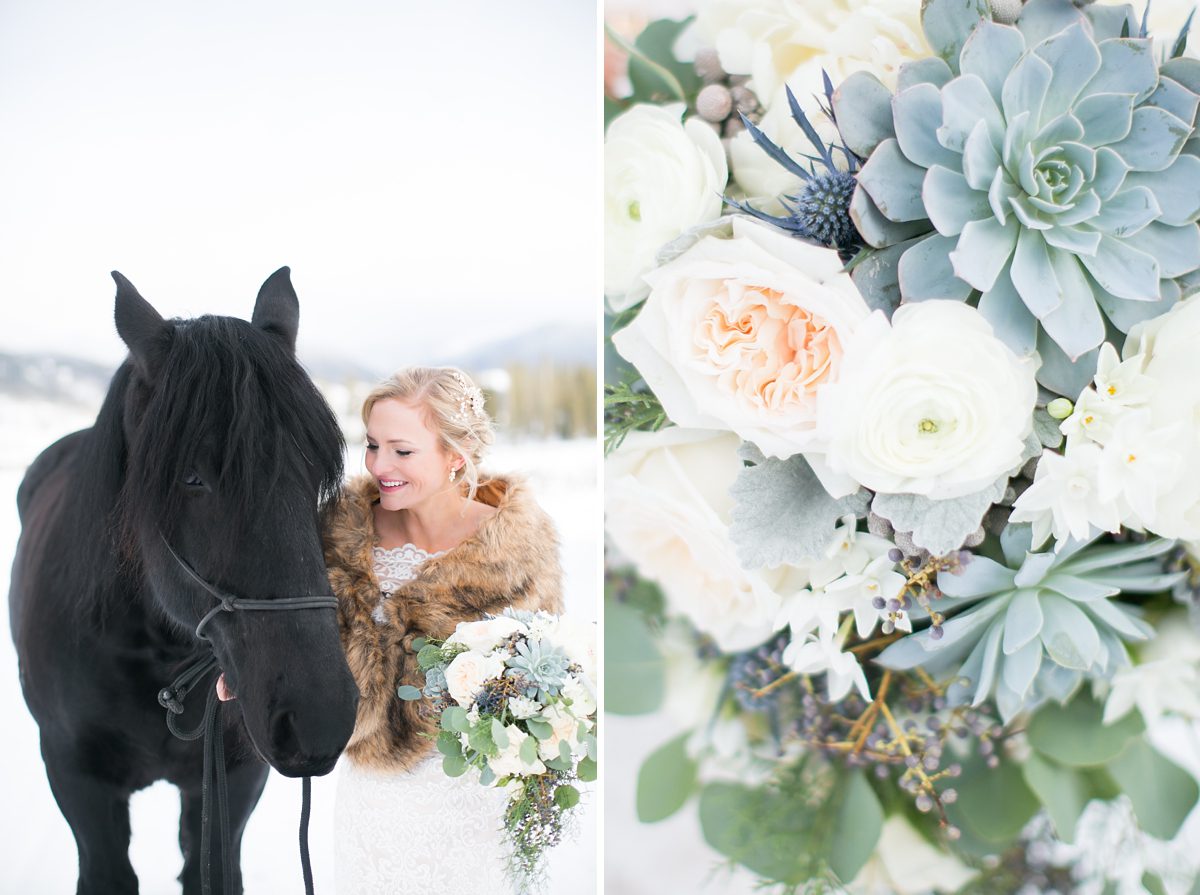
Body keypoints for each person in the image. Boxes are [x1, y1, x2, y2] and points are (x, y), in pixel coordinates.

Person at [322, 366, 564, 894]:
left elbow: (548, 675)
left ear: (455, 455)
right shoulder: (335, 535)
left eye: (402, 450)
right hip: (371, 799)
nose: (379, 464)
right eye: (371, 445)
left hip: (471, 802)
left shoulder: (518, 548)